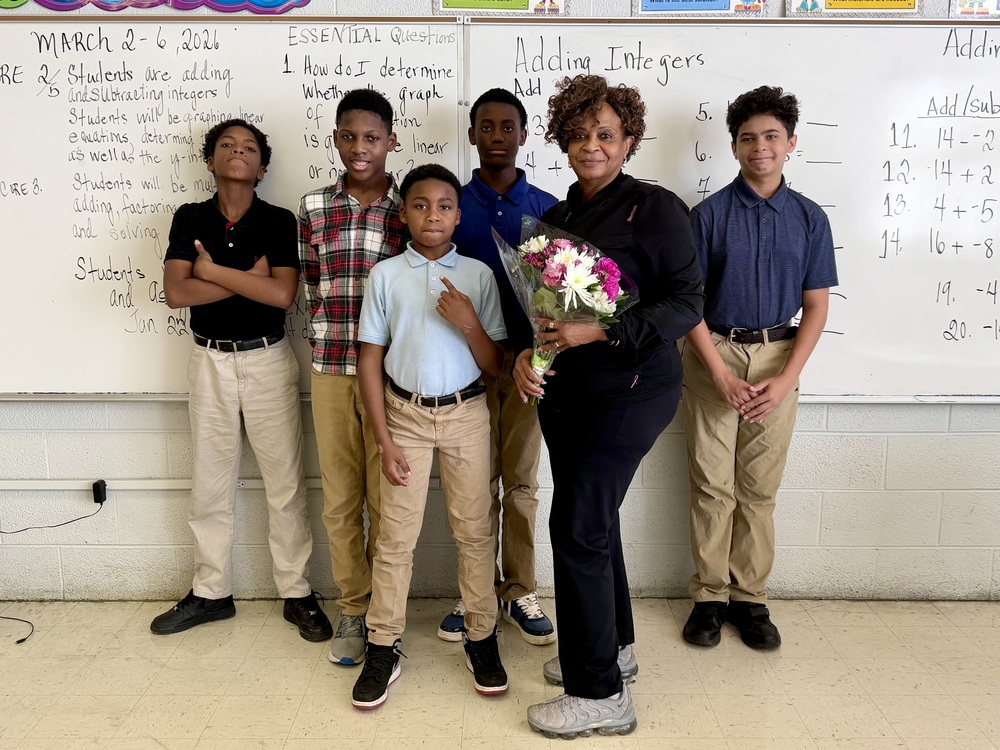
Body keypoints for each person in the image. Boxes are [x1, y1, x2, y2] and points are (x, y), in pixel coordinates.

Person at [513, 75, 704, 738]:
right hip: (570, 395)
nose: (591, 145)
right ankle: (614, 651)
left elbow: (686, 303)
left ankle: (599, 696)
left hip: (632, 390)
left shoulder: (653, 209)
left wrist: (600, 331)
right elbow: (544, 312)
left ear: (628, 141)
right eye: (579, 134)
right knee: (594, 524)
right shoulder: (560, 219)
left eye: (605, 135)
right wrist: (526, 355)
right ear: (563, 139)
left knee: (577, 528)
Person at [152, 119, 331, 643]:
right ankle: (211, 592)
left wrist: (210, 271)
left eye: (249, 147)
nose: (238, 153)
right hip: (209, 361)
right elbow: (176, 294)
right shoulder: (189, 218)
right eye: (226, 146)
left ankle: (296, 593)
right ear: (210, 161)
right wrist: (248, 280)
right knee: (209, 484)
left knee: (285, 484)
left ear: (262, 166)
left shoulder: (279, 221)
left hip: (268, 360)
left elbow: (281, 297)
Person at [681, 86, 838, 651]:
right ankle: (708, 597)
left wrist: (787, 376)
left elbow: (817, 305)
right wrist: (720, 374)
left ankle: (750, 599)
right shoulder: (708, 216)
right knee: (710, 484)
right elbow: (687, 303)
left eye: (771, 136)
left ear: (791, 143)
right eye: (748, 137)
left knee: (758, 488)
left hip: (779, 357)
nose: (760, 147)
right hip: (712, 355)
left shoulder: (808, 218)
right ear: (734, 146)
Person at [352, 163, 509, 709]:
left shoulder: (479, 276)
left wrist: (468, 321)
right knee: (395, 537)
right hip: (405, 416)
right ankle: (383, 642)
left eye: (444, 206)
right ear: (404, 213)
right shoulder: (386, 275)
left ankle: (481, 635)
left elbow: (495, 366)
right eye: (420, 205)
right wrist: (384, 438)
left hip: (466, 414)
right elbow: (370, 357)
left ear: (458, 215)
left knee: (475, 530)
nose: (433, 215)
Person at [437, 88, 559, 646]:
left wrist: (540, 349)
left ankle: (520, 588)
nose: (496, 138)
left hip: (532, 367)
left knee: (522, 483)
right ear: (471, 137)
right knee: (472, 485)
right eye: (485, 127)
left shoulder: (549, 208)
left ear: (523, 136)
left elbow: (563, 292)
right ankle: (475, 592)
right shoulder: (452, 207)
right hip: (466, 366)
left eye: (507, 127)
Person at [298, 89, 408, 665]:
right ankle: (354, 607)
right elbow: (312, 284)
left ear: (392, 140)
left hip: (391, 378)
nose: (359, 148)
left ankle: (387, 615)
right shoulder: (314, 206)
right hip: (331, 371)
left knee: (389, 498)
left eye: (371, 138)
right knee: (341, 499)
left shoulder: (409, 208)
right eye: (348, 136)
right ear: (335, 139)